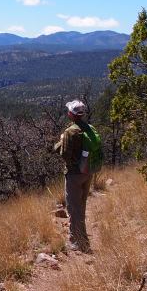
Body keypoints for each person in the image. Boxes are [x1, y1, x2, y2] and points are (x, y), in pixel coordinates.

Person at [55, 99, 95, 252]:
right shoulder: (89, 128)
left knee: (73, 209)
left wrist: (59, 142)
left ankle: (77, 243)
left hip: (74, 174)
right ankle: (83, 239)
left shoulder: (70, 132)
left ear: (71, 114)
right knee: (81, 206)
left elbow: (64, 153)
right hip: (88, 171)